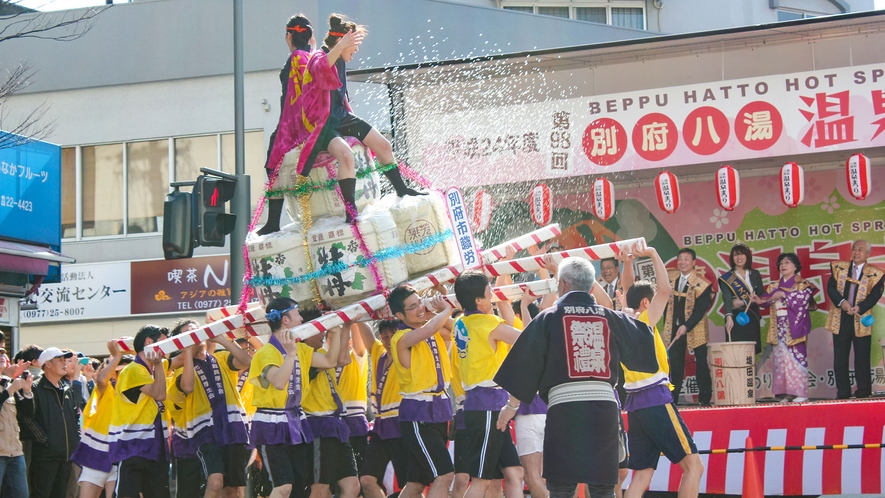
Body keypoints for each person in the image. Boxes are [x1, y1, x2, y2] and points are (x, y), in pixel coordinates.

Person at [494, 257, 659, 498]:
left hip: (564, 409)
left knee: (561, 486)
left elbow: (524, 365)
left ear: (561, 285)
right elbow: (645, 346)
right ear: (592, 287)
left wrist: (511, 407)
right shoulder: (610, 317)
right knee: (603, 486)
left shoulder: (547, 318)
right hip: (604, 409)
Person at [617, 243, 704, 498]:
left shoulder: (622, 321)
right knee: (694, 467)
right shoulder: (644, 321)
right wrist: (655, 253)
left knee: (642, 473)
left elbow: (628, 290)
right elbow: (665, 290)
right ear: (647, 302)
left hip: (634, 405)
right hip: (655, 399)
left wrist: (628, 263)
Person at [248, 298, 341, 498]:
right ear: (285, 320)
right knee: (283, 487)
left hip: (295, 422)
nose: (301, 318)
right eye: (297, 313)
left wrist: (335, 331)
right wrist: (290, 354)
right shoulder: (265, 353)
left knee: (299, 489)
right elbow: (279, 382)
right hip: (271, 424)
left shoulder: (301, 350)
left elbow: (329, 360)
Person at [451, 270, 524, 498]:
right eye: (489, 291)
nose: (493, 294)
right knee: (482, 480)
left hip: (485, 404)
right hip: (487, 406)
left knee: (514, 472)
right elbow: (524, 338)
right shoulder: (486, 323)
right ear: (478, 300)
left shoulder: (461, 322)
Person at [387, 285, 455, 498]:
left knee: (416, 484)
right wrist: (446, 309)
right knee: (444, 475)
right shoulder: (401, 337)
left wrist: (437, 308)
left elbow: (457, 329)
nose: (419, 309)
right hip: (418, 414)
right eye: (413, 306)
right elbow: (428, 330)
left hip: (439, 410)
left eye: (420, 303)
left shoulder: (431, 327)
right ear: (399, 315)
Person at [178, 322, 253, 498]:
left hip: (233, 428)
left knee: (233, 490)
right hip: (206, 432)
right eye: (187, 334)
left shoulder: (221, 358)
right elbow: (187, 386)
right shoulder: (181, 370)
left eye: (195, 330)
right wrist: (187, 352)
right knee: (215, 480)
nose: (194, 335)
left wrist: (221, 339)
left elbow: (247, 362)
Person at [108, 325, 172, 498]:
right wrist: (158, 364)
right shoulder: (133, 369)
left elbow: (177, 361)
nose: (168, 348)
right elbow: (159, 394)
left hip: (155, 447)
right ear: (149, 342)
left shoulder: (154, 367)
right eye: (164, 343)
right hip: (132, 447)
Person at [300, 313, 359, 498]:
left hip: (334, 424)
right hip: (317, 424)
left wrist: (346, 326)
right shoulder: (301, 354)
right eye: (319, 330)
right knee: (320, 489)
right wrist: (335, 326)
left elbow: (343, 359)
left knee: (352, 486)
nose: (322, 335)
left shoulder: (321, 354)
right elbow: (335, 361)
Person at [357, 319, 415, 498]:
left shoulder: (408, 355)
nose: (389, 341)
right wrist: (352, 314)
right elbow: (364, 330)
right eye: (385, 337)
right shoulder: (378, 353)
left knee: (410, 486)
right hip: (381, 426)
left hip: (402, 424)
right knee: (367, 480)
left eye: (393, 335)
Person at [70, 340, 133, 498]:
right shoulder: (106, 388)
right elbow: (101, 380)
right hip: (96, 453)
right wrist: (117, 356)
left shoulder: (138, 391)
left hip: (122, 457)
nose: (124, 375)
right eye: (119, 371)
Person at [754, 253, 818, 403]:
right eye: (781, 263)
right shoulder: (774, 285)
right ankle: (787, 393)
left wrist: (784, 295)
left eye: (787, 262)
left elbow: (803, 299)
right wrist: (759, 300)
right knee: (781, 359)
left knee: (797, 358)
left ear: (795, 266)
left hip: (794, 325)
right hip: (779, 326)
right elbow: (767, 300)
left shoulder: (802, 283)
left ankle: (801, 392)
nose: (783, 265)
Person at [825, 240, 885, 399]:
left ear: (868, 254)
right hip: (841, 317)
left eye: (860, 250)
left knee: (862, 357)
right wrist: (842, 303)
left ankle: (864, 392)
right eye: (854, 249)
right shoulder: (839, 268)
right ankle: (843, 393)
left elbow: (875, 295)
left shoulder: (875, 273)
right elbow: (831, 288)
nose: (856, 252)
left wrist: (860, 307)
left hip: (861, 318)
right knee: (840, 358)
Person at [19, 347, 79, 498]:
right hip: (45, 456)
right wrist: (45, 440)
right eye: (60, 360)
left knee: (60, 494)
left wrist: (74, 438)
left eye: (65, 360)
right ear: (48, 364)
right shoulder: (35, 388)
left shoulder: (67, 389)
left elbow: (74, 417)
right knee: (41, 494)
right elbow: (27, 418)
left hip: (66, 455)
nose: (64, 363)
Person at [662, 248, 714, 406]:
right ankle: (672, 399)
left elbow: (700, 310)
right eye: (680, 259)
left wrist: (686, 326)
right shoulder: (670, 277)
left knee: (701, 365)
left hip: (695, 329)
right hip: (674, 329)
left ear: (694, 263)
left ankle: (705, 400)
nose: (682, 262)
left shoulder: (702, 284)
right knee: (675, 366)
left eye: (686, 259)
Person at [719, 244, 764, 353]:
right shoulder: (727, 278)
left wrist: (743, 302)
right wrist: (729, 317)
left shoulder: (755, 274)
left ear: (747, 256)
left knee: (751, 351)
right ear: (732, 258)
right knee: (736, 351)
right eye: (735, 255)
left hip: (752, 316)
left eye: (742, 254)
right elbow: (727, 298)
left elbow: (760, 295)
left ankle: (751, 370)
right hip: (735, 318)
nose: (739, 258)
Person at [0, 360, 32, 497]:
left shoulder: (7, 383)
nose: (2, 357)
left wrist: (27, 390)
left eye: (3, 354)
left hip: (15, 452)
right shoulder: (9, 386)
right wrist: (10, 390)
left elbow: (27, 413)